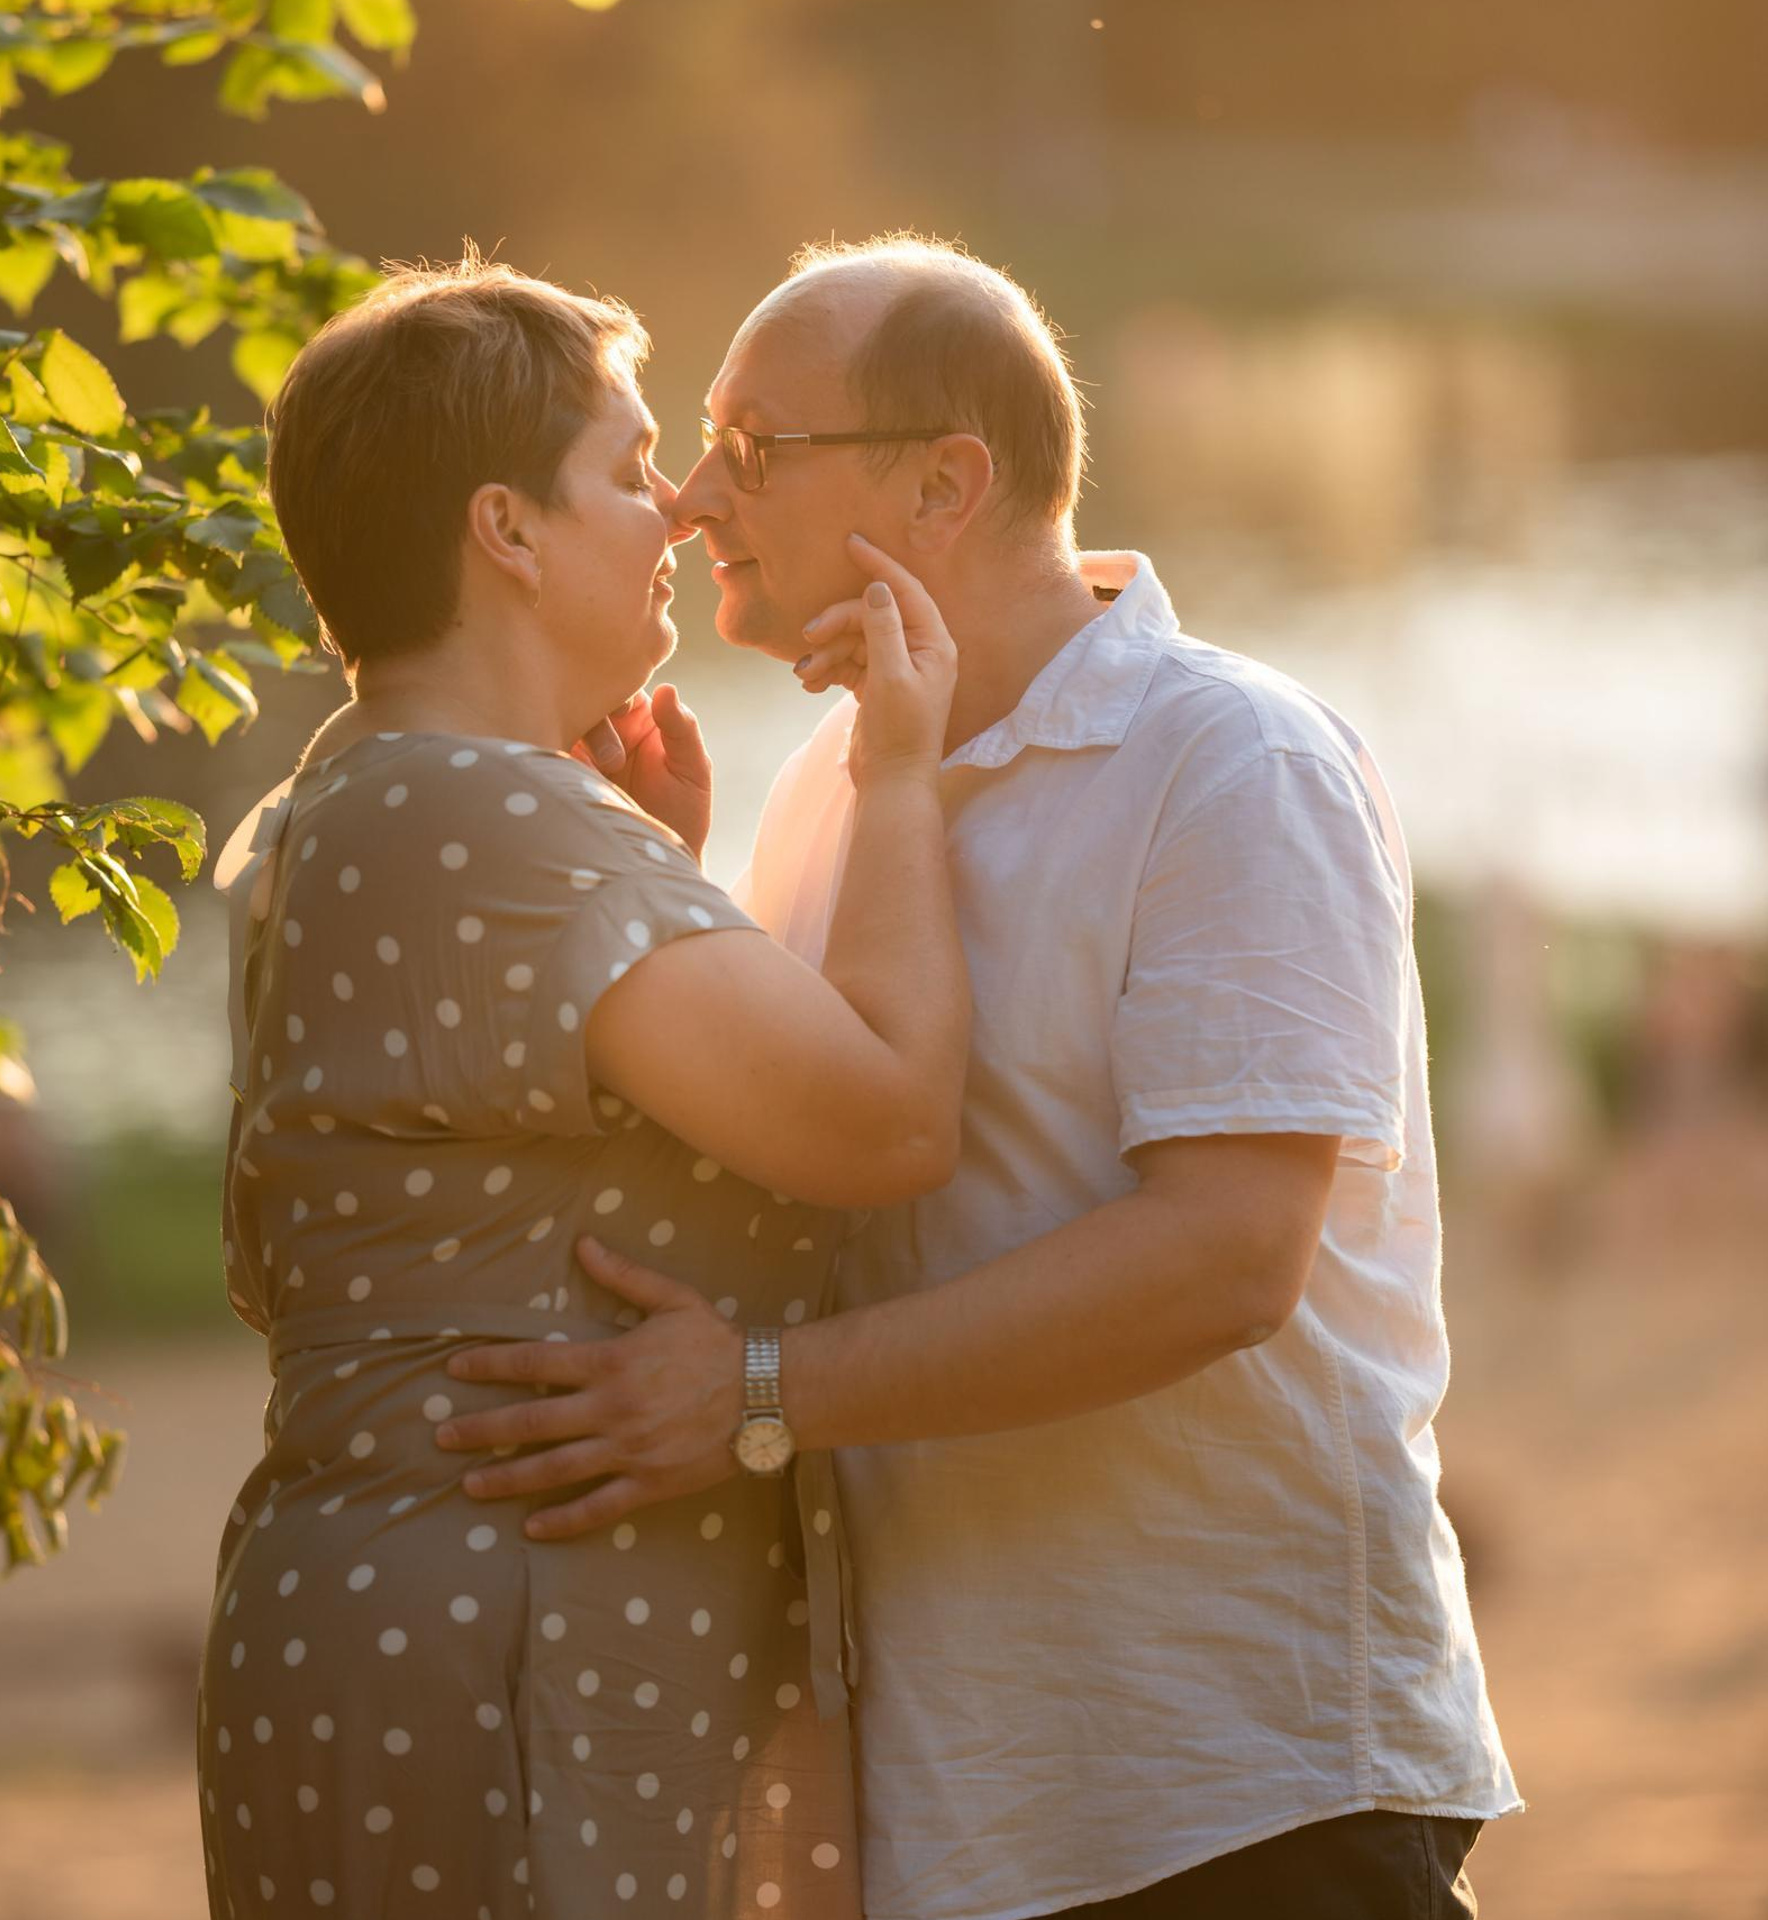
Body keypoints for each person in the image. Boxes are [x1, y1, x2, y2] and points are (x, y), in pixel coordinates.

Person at [440, 236, 1523, 1919]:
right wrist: (665, 896)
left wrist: (757, 1396)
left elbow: (1227, 1261)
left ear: (947, 482)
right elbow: (814, 1195)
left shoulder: (1228, 759)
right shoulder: (830, 780)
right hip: (963, 1817)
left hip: (1248, 1783)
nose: (695, 501)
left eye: (755, 446)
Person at [197, 251, 973, 1919]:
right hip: (514, 1644)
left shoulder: (354, 803)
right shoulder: (501, 831)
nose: (681, 513)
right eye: (628, 474)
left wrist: (660, 868)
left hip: (404, 1621)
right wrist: (899, 773)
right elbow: (893, 1123)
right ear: (507, 532)